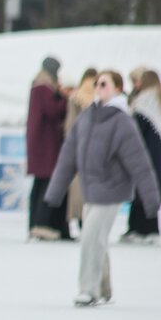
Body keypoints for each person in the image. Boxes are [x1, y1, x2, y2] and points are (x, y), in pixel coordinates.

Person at [44, 71, 160, 306]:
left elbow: (139, 162)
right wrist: (55, 191)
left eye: (104, 83)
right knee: (96, 239)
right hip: (90, 191)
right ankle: (104, 289)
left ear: (117, 88)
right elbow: (68, 157)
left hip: (112, 190)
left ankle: (89, 290)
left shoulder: (122, 121)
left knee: (90, 237)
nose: (99, 87)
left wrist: (151, 198)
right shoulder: (87, 117)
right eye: (97, 83)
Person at [122, 70, 161, 244]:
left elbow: (136, 127)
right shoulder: (159, 100)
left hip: (145, 152)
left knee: (142, 189)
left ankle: (142, 228)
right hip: (156, 152)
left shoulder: (144, 101)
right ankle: (143, 227)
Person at [27, 56, 73, 241]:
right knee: (49, 186)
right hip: (47, 147)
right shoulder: (44, 88)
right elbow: (53, 110)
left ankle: (38, 224)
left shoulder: (38, 86)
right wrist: (65, 98)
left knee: (41, 185)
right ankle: (43, 224)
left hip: (41, 147)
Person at [63, 68, 98, 230]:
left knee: (78, 187)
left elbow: (70, 125)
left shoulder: (76, 97)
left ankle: (80, 220)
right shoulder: (100, 97)